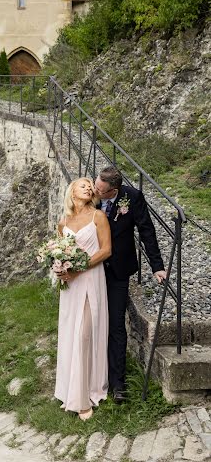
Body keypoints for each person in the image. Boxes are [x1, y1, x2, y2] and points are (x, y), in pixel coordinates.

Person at [94, 166, 166, 404]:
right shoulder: (89, 196)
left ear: (113, 190)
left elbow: (147, 230)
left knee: (116, 325)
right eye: (95, 185)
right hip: (89, 270)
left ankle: (118, 384)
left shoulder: (132, 198)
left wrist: (157, 266)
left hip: (118, 271)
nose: (95, 191)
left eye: (101, 190)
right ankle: (90, 378)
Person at [54, 177, 111, 420]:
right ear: (72, 192)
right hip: (70, 285)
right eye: (83, 185)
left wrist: (79, 267)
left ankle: (84, 397)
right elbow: (58, 252)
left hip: (89, 280)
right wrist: (59, 269)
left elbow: (106, 250)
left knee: (84, 334)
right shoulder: (63, 222)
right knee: (70, 333)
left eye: (90, 186)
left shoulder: (98, 216)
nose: (88, 188)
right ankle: (70, 390)